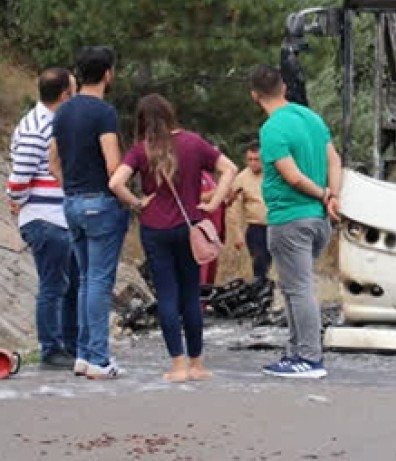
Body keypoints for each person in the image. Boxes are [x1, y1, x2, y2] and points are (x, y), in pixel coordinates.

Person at [109, 94, 236, 383]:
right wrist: (214, 201)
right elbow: (229, 169)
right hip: (189, 226)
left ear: (142, 121)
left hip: (155, 231)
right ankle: (197, 365)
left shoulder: (141, 151)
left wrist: (137, 202)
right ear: (170, 114)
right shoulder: (193, 143)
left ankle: (177, 365)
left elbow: (115, 182)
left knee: (167, 294)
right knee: (191, 293)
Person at [249, 64, 342, 379]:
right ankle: (295, 352)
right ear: (284, 88)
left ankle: (309, 357)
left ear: (254, 96)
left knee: (299, 288)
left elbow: (291, 175)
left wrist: (323, 194)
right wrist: (334, 196)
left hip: (291, 217)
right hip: (318, 221)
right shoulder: (311, 118)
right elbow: (334, 159)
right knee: (291, 287)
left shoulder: (272, 129)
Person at [49, 46, 126, 379]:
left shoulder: (63, 112)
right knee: (98, 281)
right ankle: (98, 357)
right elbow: (113, 164)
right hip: (101, 202)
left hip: (72, 201)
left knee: (83, 281)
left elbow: (53, 159)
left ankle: (83, 353)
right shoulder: (103, 113)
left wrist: (70, 186)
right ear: (108, 73)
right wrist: (127, 196)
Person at [6, 68, 79, 369]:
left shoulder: (55, 123)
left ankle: (70, 343)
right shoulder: (37, 127)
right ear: (64, 94)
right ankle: (51, 348)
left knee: (71, 282)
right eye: (73, 91)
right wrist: (18, 202)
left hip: (60, 217)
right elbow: (20, 175)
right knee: (53, 284)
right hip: (45, 217)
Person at [227, 140, 272, 284]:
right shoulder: (241, 179)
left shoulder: (273, 175)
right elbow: (234, 208)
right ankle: (261, 293)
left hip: (276, 225)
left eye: (257, 159)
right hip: (256, 228)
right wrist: (237, 234)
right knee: (260, 264)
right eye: (250, 160)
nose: (253, 163)